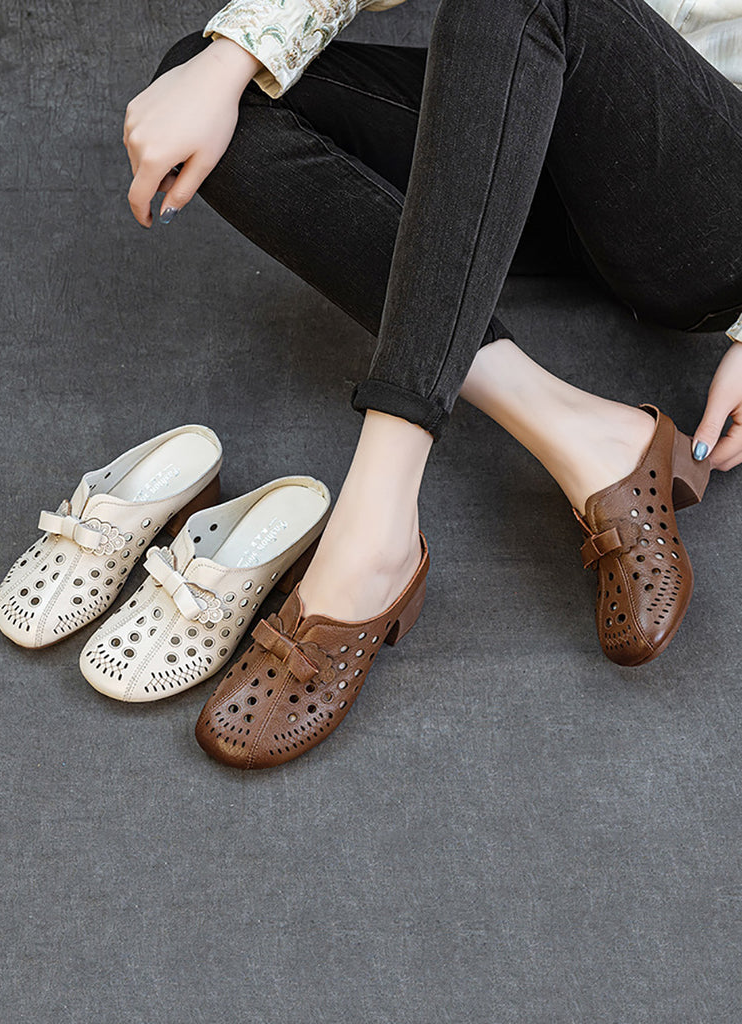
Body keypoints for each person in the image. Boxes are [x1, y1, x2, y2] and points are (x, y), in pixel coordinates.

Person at [122, 0, 742, 766]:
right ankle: (588, 436)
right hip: (551, 120)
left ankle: (373, 528)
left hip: (709, 207)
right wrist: (230, 58)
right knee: (221, 90)